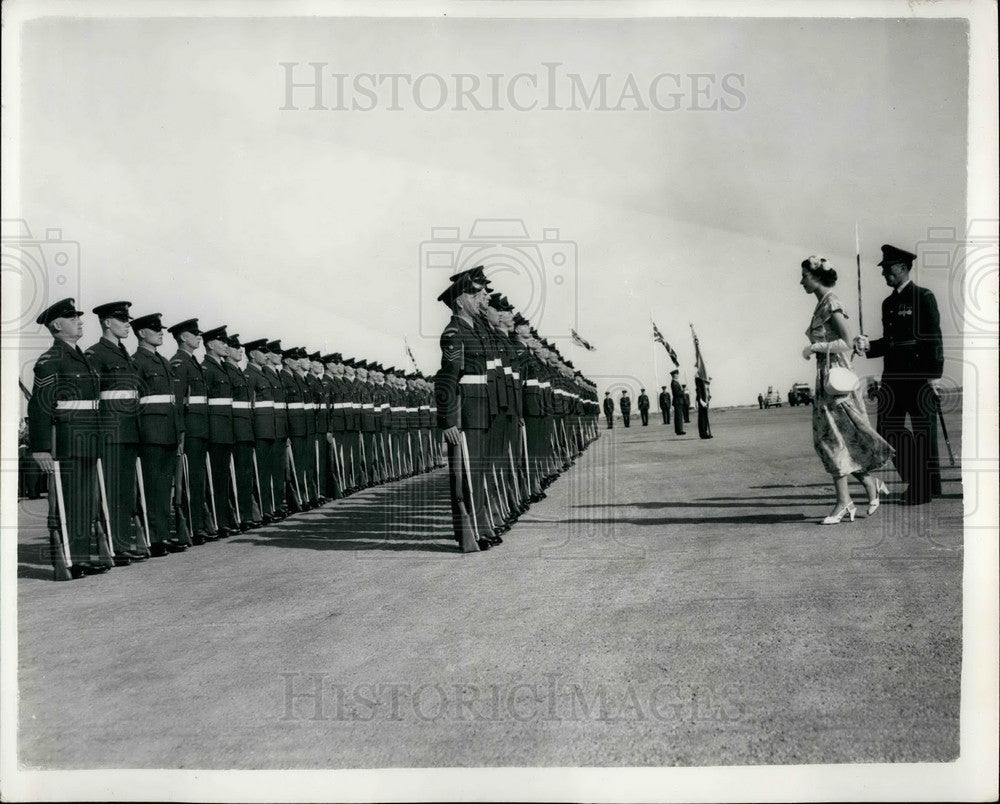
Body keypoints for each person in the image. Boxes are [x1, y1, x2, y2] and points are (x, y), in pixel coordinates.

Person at [800, 256, 893, 523]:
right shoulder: (821, 303)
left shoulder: (831, 302)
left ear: (816, 276)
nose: (801, 280)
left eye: (804, 275)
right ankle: (864, 487)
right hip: (826, 378)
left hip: (836, 379)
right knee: (835, 439)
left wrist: (814, 347)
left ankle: (844, 502)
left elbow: (846, 342)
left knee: (833, 439)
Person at [854, 244, 945, 505]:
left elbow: (934, 338)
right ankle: (920, 482)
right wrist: (869, 346)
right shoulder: (888, 303)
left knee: (923, 433)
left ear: (903, 268)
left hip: (919, 376)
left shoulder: (923, 296)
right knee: (888, 430)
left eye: (888, 268)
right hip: (893, 377)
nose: (884, 273)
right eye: (883, 269)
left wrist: (934, 375)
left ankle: (925, 488)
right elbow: (890, 341)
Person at [28, 298, 108, 579]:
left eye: (78, 318)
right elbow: (39, 406)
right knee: (70, 500)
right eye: (73, 318)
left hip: (88, 438)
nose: (80, 322)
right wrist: (40, 449)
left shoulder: (81, 357)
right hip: (67, 440)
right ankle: (73, 558)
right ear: (57, 326)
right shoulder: (51, 360)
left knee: (85, 501)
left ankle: (82, 555)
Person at [433, 270, 495, 552]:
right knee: (466, 476)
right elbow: (447, 378)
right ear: (460, 301)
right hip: (467, 412)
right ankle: (471, 533)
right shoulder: (454, 332)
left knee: (476, 473)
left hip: (480, 408)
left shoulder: (473, 329)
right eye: (473, 294)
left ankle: (481, 528)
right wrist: (447, 420)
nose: (479, 298)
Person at [86, 300, 147, 564]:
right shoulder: (95, 354)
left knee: (125, 491)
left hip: (130, 430)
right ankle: (113, 544)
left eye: (128, 320)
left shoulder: (126, 356)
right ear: (107, 322)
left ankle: (122, 542)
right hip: (111, 432)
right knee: (111, 490)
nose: (127, 325)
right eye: (122, 320)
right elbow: (93, 398)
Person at [131, 313, 188, 556]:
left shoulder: (164, 362)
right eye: (155, 329)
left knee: (165, 488)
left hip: (168, 433)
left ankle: (163, 535)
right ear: (142, 333)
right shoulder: (136, 362)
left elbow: (174, 402)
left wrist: (179, 431)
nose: (160, 332)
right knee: (152, 487)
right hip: (150, 434)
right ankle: (153, 538)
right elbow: (133, 403)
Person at [169, 318, 215, 543]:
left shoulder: (192, 362)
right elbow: (177, 402)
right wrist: (179, 431)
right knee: (189, 479)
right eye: (194, 333)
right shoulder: (179, 362)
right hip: (190, 431)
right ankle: (190, 526)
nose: (199, 337)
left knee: (198, 478)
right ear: (182, 337)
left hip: (200, 428)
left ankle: (198, 524)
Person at [670, 370, 686, 434]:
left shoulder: (676, 382)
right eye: (677, 374)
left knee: (679, 416)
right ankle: (679, 430)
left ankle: (679, 430)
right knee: (678, 417)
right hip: (677, 401)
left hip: (678, 401)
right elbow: (676, 393)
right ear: (674, 375)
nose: (678, 375)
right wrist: (683, 391)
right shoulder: (674, 383)